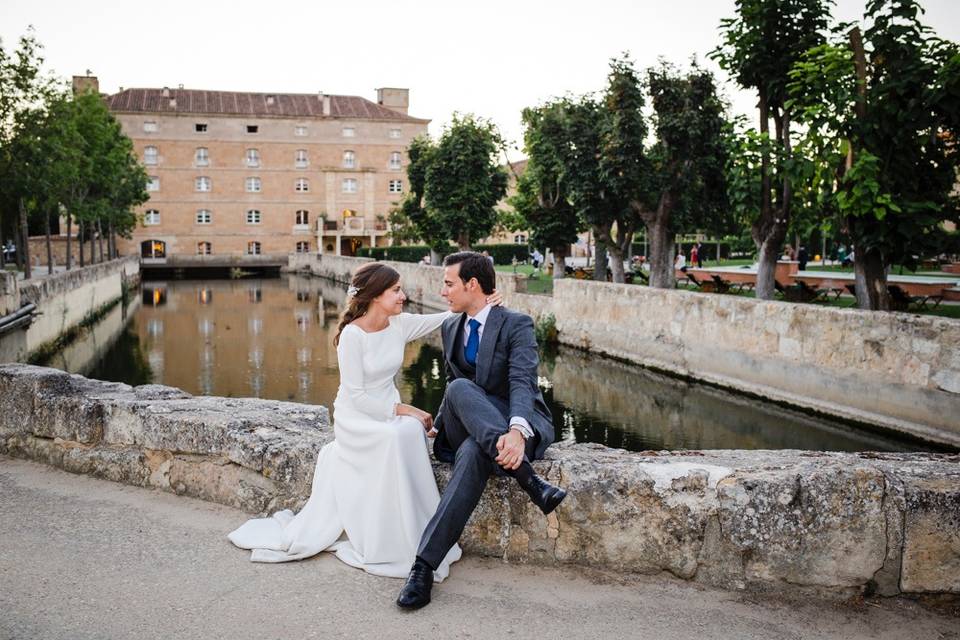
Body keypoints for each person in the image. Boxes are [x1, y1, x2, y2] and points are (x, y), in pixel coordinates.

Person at [228, 262, 503, 582]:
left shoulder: (399, 324)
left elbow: (445, 317)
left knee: (410, 434)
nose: (403, 295)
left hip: (389, 409)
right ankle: (385, 539)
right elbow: (356, 396)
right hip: (356, 418)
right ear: (375, 295)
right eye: (396, 290)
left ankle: (415, 528)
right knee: (395, 436)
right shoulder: (352, 336)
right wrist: (406, 410)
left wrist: (481, 303)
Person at [396, 252, 566, 610]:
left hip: (512, 424)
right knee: (458, 389)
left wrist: (518, 431)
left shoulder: (516, 324)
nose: (443, 291)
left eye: (448, 283)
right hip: (478, 425)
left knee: (474, 451)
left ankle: (423, 568)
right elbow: (453, 383)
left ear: (471, 284)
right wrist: (440, 425)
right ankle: (529, 481)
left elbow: (522, 382)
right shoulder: (451, 326)